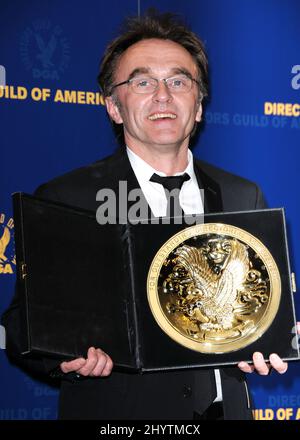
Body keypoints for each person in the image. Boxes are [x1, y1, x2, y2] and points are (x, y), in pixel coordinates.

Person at [2, 10, 289, 420]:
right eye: (142, 82)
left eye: (178, 81)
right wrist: (61, 357)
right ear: (114, 107)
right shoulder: (70, 196)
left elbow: (262, 310)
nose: (162, 95)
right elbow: (21, 324)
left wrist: (273, 339)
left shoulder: (242, 194)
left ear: (199, 105)